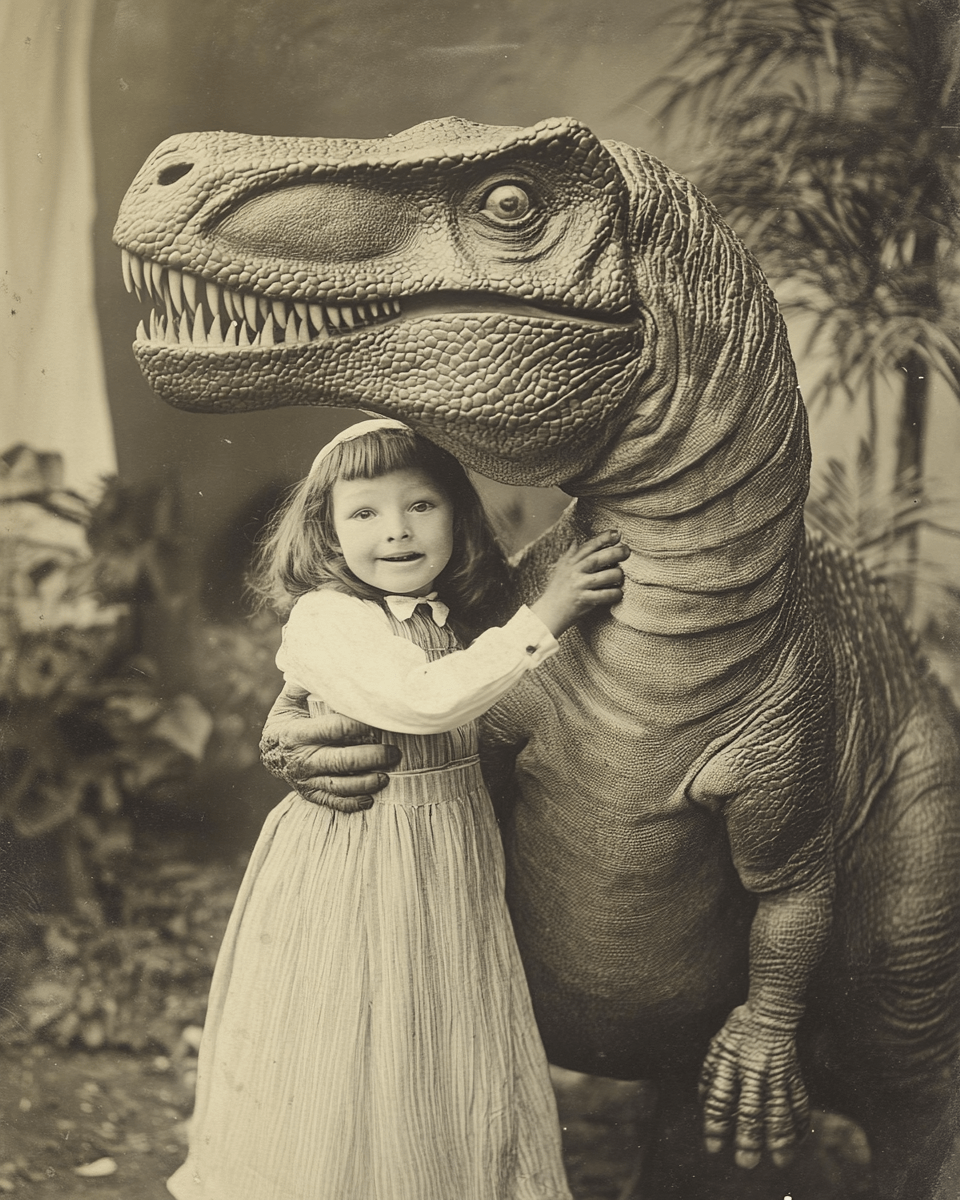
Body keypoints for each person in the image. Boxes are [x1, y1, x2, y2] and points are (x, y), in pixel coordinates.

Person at [168, 417, 628, 1200]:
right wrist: (546, 616)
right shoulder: (329, 618)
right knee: (360, 1030)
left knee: (444, 1026)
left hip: (447, 852)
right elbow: (424, 702)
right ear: (327, 532)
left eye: (421, 505)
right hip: (363, 854)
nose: (397, 531)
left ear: (456, 515)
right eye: (365, 512)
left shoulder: (448, 617)